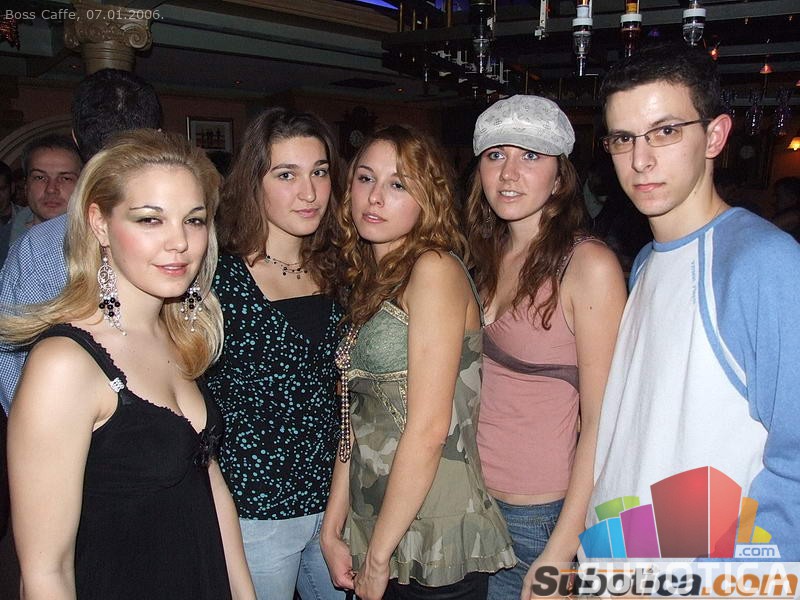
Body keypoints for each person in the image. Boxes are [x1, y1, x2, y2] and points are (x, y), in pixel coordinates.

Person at [3, 129, 255, 599]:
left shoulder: (179, 335)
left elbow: (208, 482)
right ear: (99, 224)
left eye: (194, 220)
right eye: (150, 220)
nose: (180, 242)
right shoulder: (65, 364)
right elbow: (45, 571)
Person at [585, 42, 800, 560]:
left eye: (665, 131)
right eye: (623, 138)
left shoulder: (763, 263)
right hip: (620, 561)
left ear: (715, 136)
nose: (640, 160)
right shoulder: (645, 260)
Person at [321, 125, 516, 600]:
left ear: (428, 198)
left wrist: (378, 558)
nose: (375, 197)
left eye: (398, 184)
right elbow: (356, 417)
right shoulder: (374, 278)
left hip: (433, 526)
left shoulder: (434, 269)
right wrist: (333, 527)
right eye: (365, 178)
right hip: (377, 519)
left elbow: (429, 428)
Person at [464, 95, 627, 600]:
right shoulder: (483, 253)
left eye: (530, 156)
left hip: (536, 515)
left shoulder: (588, 265)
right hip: (468, 498)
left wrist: (561, 549)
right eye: (496, 155)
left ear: (559, 178)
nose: (509, 173)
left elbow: (602, 422)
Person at [205, 107, 347, 600]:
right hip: (255, 512)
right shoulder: (216, 278)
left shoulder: (343, 268)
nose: (309, 193)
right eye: (287, 175)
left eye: (319, 172)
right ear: (254, 183)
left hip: (337, 505)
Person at [0, 68, 162, 414]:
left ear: (75, 138)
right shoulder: (188, 237)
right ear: (158, 136)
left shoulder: (38, 248)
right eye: (39, 178)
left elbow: (12, 369)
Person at [0, 134, 82, 265]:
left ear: (82, 185)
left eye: (65, 178)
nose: (51, 189)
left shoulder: (101, 243)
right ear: (26, 185)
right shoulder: (4, 242)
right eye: (40, 177)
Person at [771, 176, 800, 242]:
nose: (774, 200)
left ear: (792, 198)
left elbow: (762, 231)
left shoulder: (793, 215)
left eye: (778, 196)